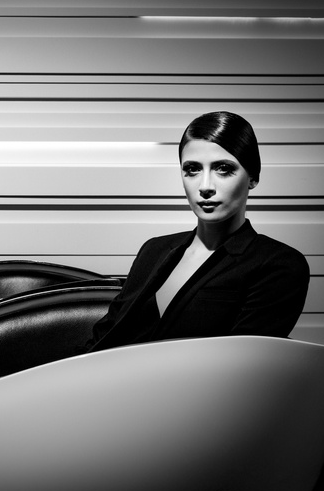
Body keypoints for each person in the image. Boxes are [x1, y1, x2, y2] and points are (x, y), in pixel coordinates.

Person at [87, 111, 309, 352]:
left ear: (253, 176)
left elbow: (241, 364)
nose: (205, 186)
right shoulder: (154, 249)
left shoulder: (278, 264)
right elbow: (103, 338)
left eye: (223, 169)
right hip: (103, 375)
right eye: (192, 169)